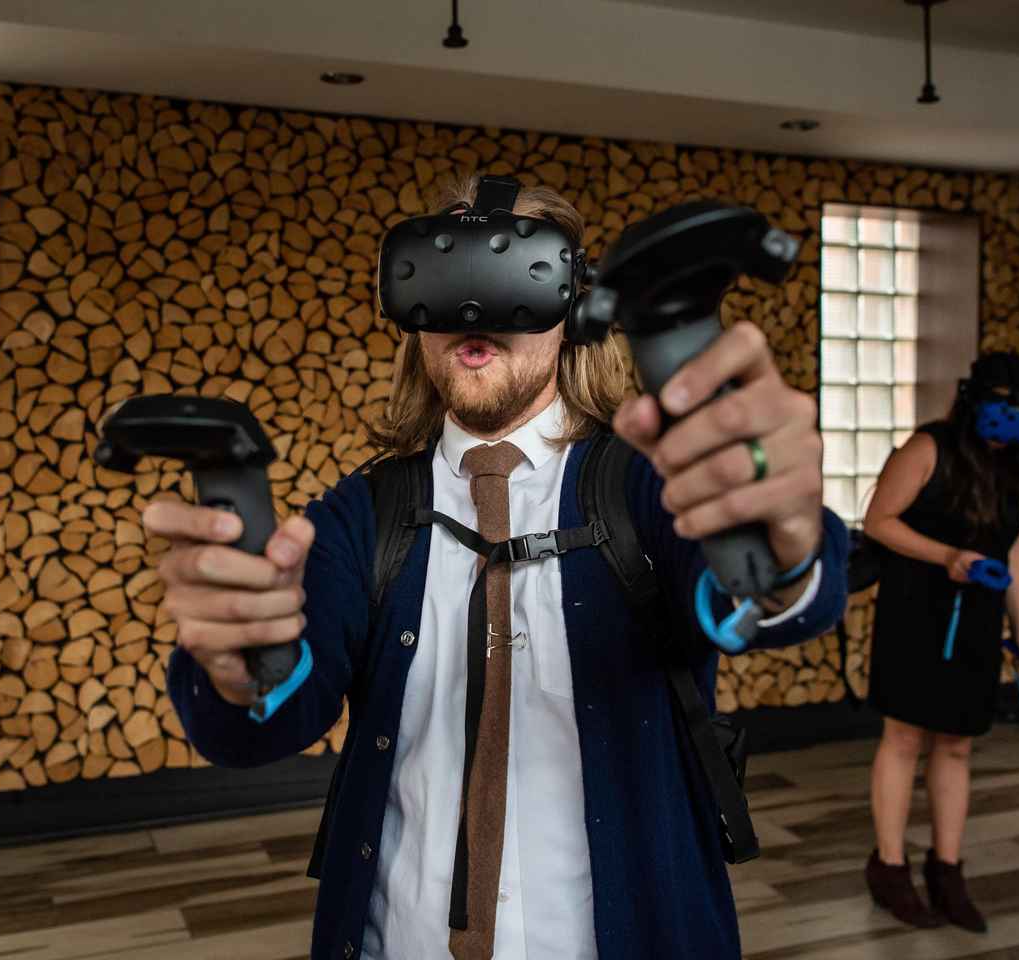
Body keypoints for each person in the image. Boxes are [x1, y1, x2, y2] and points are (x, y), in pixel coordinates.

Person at [144, 174, 847, 960]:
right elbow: (259, 722)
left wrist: (786, 546)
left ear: (573, 305)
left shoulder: (649, 485)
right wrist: (238, 666)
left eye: (511, 273)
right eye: (444, 273)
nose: (472, 311)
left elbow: (778, 600)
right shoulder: (363, 514)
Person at [859, 351, 1019, 933]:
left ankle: (947, 870)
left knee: (958, 744)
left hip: (978, 617)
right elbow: (878, 521)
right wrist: (948, 556)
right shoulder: (929, 447)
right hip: (915, 608)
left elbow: (1013, 546)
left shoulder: (1017, 462)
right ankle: (890, 868)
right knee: (903, 736)